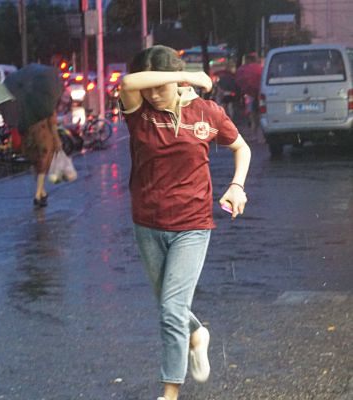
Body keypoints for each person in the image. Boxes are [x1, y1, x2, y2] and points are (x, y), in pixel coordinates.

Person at [119, 45, 251, 400]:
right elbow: (128, 81)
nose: (153, 94)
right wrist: (186, 76)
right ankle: (196, 334)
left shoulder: (207, 113)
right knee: (168, 305)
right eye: (151, 87)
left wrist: (236, 185)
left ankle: (170, 392)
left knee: (171, 309)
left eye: (159, 88)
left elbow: (243, 148)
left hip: (192, 223)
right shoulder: (138, 112)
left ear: (176, 86)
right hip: (147, 222)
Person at [22, 112, 62, 207]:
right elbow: (52, 125)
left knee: (37, 164)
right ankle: (38, 195)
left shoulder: (27, 106)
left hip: (30, 137)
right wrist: (57, 140)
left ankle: (42, 193)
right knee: (43, 166)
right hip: (44, 137)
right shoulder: (47, 106)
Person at [235, 52, 263, 134]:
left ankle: (254, 131)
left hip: (250, 94)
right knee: (259, 114)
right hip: (259, 94)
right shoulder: (260, 69)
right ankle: (258, 132)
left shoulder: (243, 70)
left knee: (252, 114)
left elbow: (239, 81)